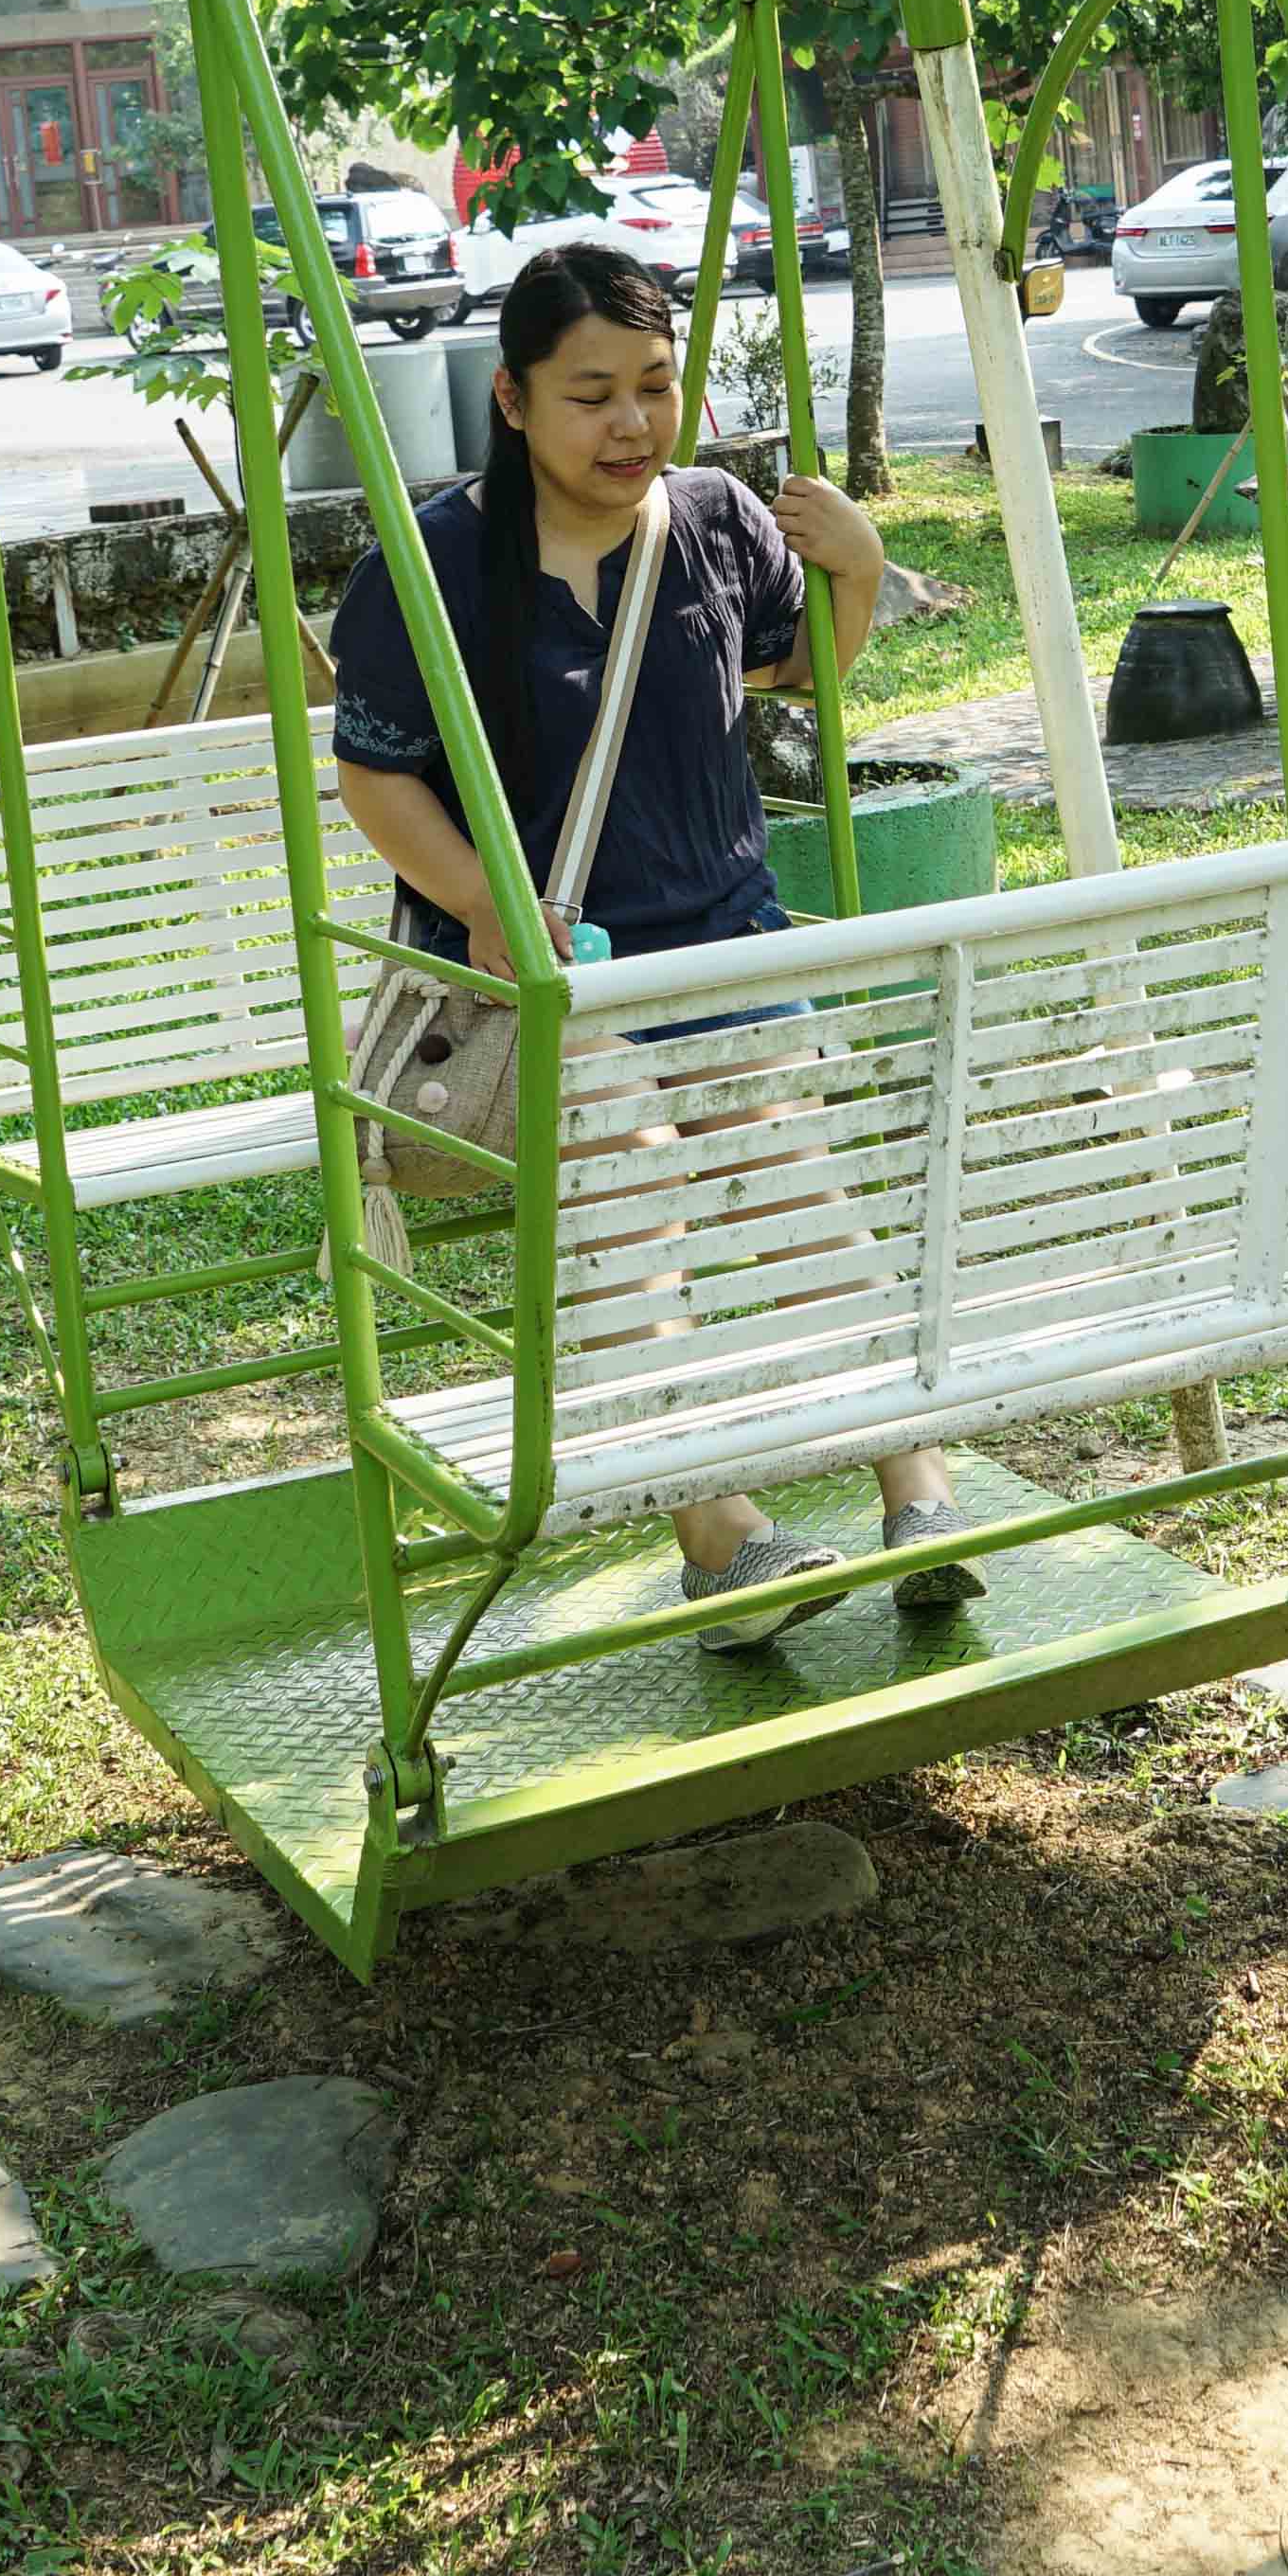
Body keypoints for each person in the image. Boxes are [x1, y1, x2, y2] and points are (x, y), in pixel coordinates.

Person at [326, 238, 953, 1651]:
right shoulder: (431, 564)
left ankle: (919, 1482)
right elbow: (377, 776)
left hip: (725, 940)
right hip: (552, 975)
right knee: (632, 1217)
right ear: (512, 401)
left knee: (801, 1209)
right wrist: (487, 904)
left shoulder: (719, 520)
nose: (630, 425)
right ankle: (715, 1534)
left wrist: (855, 569)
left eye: (654, 388)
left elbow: (789, 670)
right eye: (589, 394)